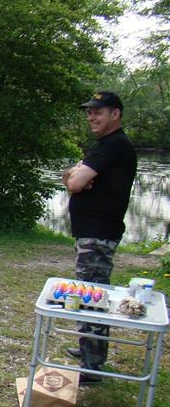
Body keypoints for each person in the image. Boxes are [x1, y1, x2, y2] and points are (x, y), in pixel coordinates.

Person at [62, 91, 136, 385]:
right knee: (91, 293)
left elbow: (74, 182)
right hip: (92, 233)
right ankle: (90, 352)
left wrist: (77, 177)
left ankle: (92, 368)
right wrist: (74, 176)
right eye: (89, 112)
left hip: (98, 233)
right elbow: (70, 177)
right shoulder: (106, 145)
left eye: (98, 112)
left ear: (115, 114)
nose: (91, 117)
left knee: (91, 296)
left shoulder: (114, 145)